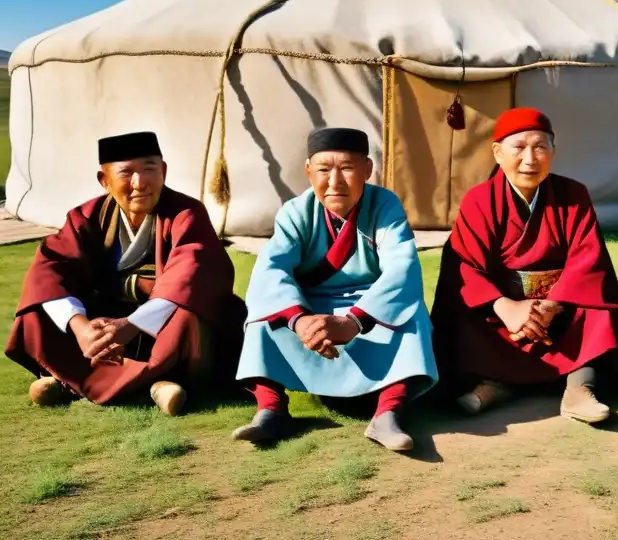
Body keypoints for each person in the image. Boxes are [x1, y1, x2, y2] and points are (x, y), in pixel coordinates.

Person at [5, 131, 244, 415]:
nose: (139, 183)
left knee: (189, 314)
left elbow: (192, 274)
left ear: (163, 171)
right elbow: (50, 268)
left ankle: (79, 382)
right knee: (38, 307)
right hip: (102, 323)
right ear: (104, 180)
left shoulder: (186, 213)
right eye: (126, 173)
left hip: (158, 325)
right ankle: (148, 385)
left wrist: (131, 326)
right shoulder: (85, 217)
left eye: (149, 169)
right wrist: (81, 328)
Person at [233, 127, 436, 452]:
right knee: (262, 317)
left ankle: (387, 414)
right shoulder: (295, 213)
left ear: (368, 170)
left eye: (347, 168)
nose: (335, 181)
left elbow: (402, 268)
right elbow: (271, 271)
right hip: (310, 309)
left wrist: (354, 321)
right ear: (308, 171)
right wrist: (300, 321)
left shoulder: (385, 206)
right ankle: (271, 409)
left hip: (368, 306)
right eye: (324, 170)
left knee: (412, 317)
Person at [429, 107, 618, 425]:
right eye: (518, 147)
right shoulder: (479, 200)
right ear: (498, 153)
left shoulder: (574, 195)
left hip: (560, 312)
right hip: (501, 316)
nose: (530, 159)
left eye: (540, 147)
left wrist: (551, 306)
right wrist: (506, 308)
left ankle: (579, 388)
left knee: (597, 309)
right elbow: (464, 268)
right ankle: (495, 383)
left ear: (553, 151)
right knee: (463, 313)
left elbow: (587, 259)